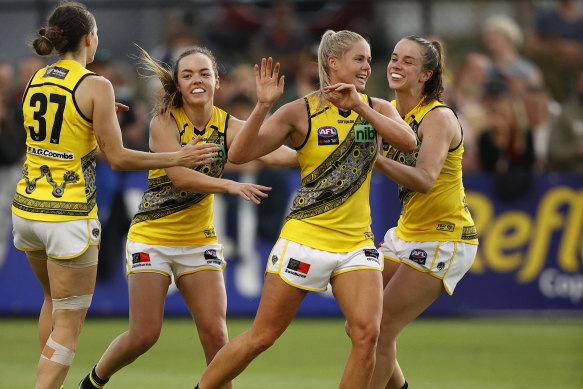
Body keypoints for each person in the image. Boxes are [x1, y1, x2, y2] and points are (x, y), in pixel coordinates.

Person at [195, 30, 417, 389]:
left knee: (367, 336)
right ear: (333, 63)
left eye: (368, 60)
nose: (367, 67)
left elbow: (409, 143)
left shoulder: (377, 108)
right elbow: (239, 154)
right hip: (305, 239)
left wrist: (359, 104)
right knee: (262, 336)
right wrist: (263, 104)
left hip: (356, 244)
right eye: (359, 59)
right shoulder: (300, 111)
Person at [11, 3, 217, 389]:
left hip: (26, 210)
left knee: (51, 302)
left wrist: (97, 117)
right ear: (89, 38)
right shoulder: (96, 84)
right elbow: (118, 159)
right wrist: (178, 156)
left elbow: (56, 133)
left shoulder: (34, 79)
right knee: (69, 324)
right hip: (68, 215)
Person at [78, 44, 298, 389]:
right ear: (178, 85)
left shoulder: (228, 125)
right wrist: (227, 184)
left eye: (205, 73)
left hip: (199, 242)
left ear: (217, 82)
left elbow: (281, 155)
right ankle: (93, 380)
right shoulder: (164, 122)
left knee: (216, 337)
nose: (197, 80)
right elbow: (180, 176)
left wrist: (321, 149)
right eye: (188, 74)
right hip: (153, 238)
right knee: (144, 335)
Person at [370, 36, 479, 388]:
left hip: (444, 237)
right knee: (360, 323)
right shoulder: (389, 110)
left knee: (380, 329)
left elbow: (426, 179)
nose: (396, 65)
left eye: (408, 62)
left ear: (426, 75)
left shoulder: (439, 117)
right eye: (394, 57)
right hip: (407, 234)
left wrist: (377, 160)